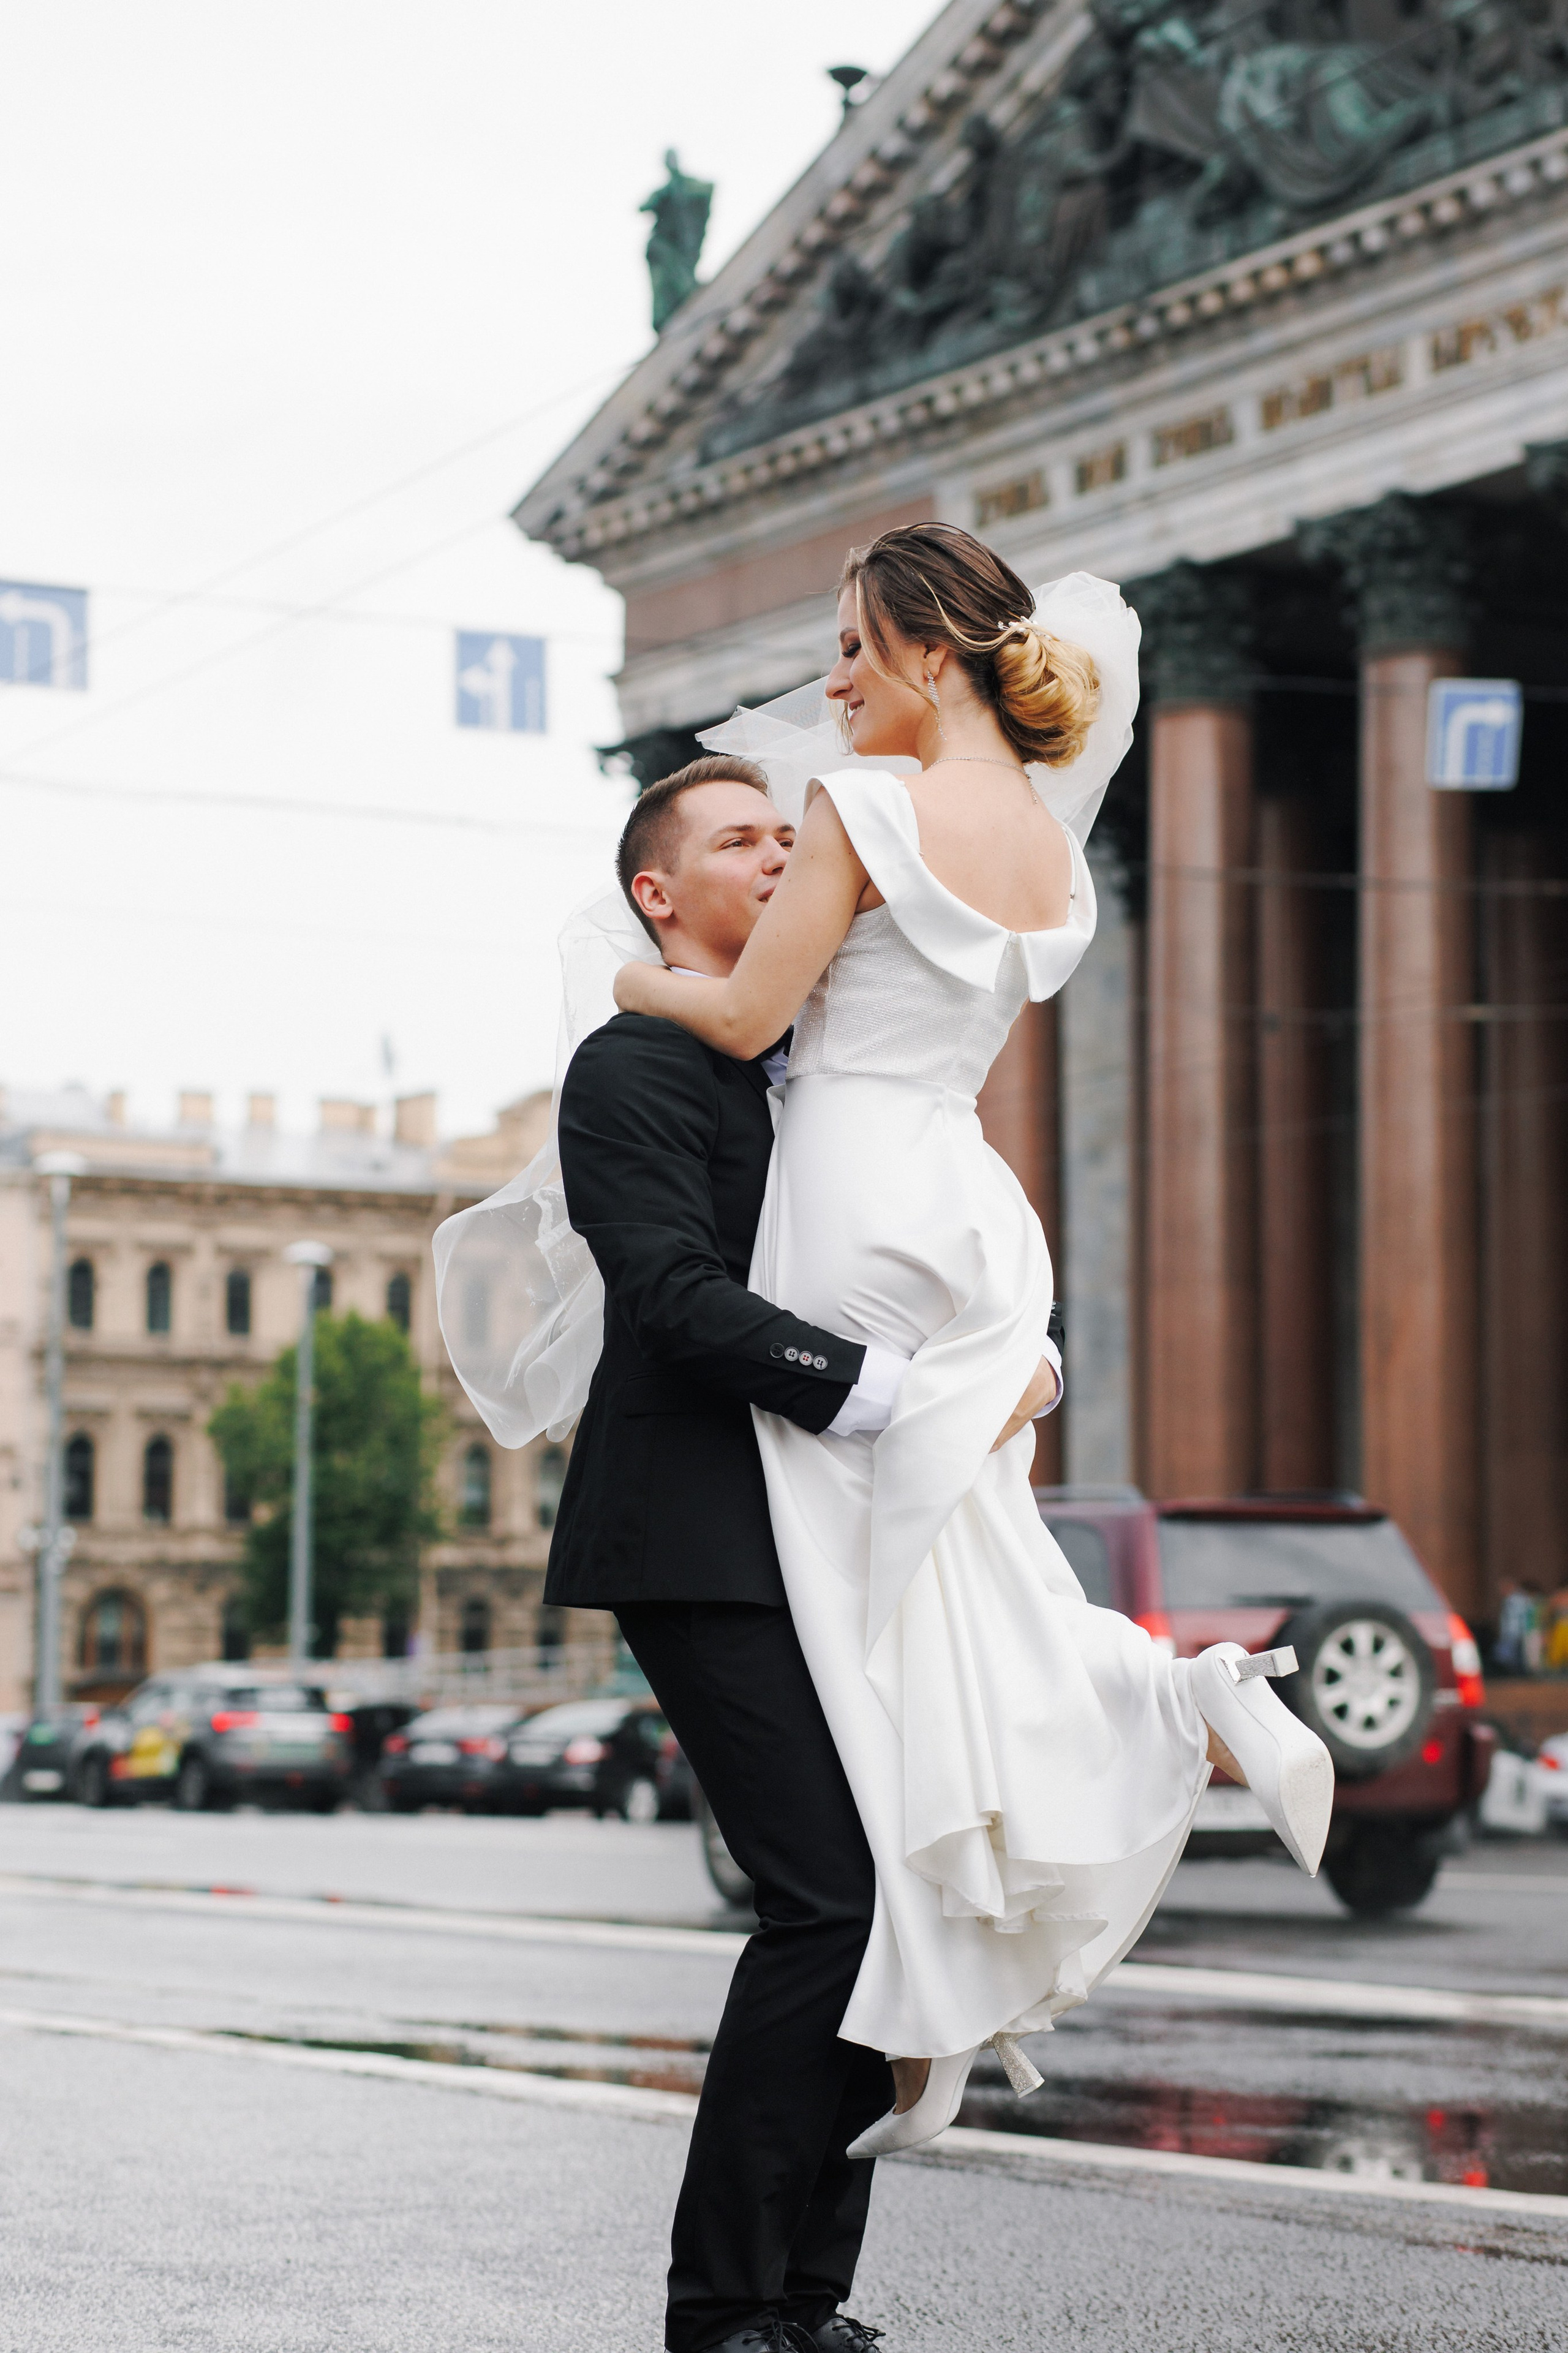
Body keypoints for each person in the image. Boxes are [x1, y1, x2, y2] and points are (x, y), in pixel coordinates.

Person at [612, 524, 1335, 2155]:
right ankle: (1162, 1714)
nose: (834, 679)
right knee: (965, 1568)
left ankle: (956, 1965)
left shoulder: (865, 809)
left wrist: (633, 978)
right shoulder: (1050, 852)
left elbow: (741, 1017)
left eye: (858, 649)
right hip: (969, 1203)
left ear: (936, 654)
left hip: (852, 1195)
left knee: (867, 1599)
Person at [528, 755, 1058, 2353]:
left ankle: (805, 2299)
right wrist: (897, 1400)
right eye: (743, 838)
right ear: (656, 894)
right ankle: (722, 2309)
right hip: (697, 1530)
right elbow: (678, 1303)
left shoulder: (807, 1067)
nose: (783, 854)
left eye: (790, 833)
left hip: (829, 1528)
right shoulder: (628, 1066)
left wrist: (999, 1355)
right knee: (825, 1899)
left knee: (880, 1898)